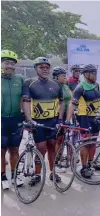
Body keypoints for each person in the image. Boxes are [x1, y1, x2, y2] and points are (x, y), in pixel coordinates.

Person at [22, 57, 65, 185]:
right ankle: (37, 174)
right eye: (41, 67)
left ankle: (53, 172)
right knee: (41, 148)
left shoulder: (56, 84)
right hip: (38, 122)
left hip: (53, 121)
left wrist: (60, 119)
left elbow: (62, 102)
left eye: (47, 67)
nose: (45, 69)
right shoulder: (29, 83)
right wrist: (29, 119)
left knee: (52, 147)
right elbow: (26, 102)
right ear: (36, 68)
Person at [65, 64, 100, 179]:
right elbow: (72, 104)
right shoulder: (80, 88)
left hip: (95, 118)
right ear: (86, 74)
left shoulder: (96, 85)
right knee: (85, 143)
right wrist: (67, 120)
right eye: (93, 73)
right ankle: (84, 167)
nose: (95, 75)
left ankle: (91, 163)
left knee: (94, 142)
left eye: (96, 73)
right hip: (84, 118)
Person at [1, 50, 24, 189]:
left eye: (12, 63)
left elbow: (26, 99)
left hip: (15, 119)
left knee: (14, 149)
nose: (9, 66)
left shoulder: (20, 79)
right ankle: (3, 175)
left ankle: (15, 174)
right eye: (6, 62)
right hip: (1, 119)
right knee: (1, 150)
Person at [52, 66, 72, 173]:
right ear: (56, 77)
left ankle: (59, 159)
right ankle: (55, 163)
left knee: (63, 139)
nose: (65, 77)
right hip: (56, 116)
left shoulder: (66, 86)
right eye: (62, 76)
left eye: (65, 75)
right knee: (57, 140)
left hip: (66, 116)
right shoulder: (54, 87)